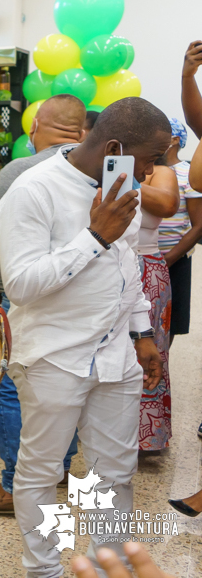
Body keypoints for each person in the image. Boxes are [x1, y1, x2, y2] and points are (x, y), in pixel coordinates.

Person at [0, 96, 166, 578]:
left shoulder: (120, 186)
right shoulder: (32, 191)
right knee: (42, 475)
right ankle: (44, 570)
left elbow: (127, 263)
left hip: (116, 356)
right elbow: (22, 286)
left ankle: (102, 566)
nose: (153, 171)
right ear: (115, 146)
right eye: (151, 158)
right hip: (54, 358)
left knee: (114, 473)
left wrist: (142, 330)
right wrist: (94, 236)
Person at [0, 94, 87, 515]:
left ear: (33, 130)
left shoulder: (21, 168)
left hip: (24, 296)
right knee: (62, 384)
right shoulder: (90, 168)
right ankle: (60, 469)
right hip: (74, 293)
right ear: (82, 131)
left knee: (12, 389)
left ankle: (14, 484)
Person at [135, 150, 179, 452]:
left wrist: (119, 178)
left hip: (146, 268)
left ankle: (147, 437)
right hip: (100, 264)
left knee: (150, 348)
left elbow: (167, 203)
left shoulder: (161, 172)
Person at [157, 119, 201, 350]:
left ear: (174, 140)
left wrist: (170, 258)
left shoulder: (187, 174)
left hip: (175, 260)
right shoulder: (145, 171)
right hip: (144, 258)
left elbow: (199, 225)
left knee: (168, 322)